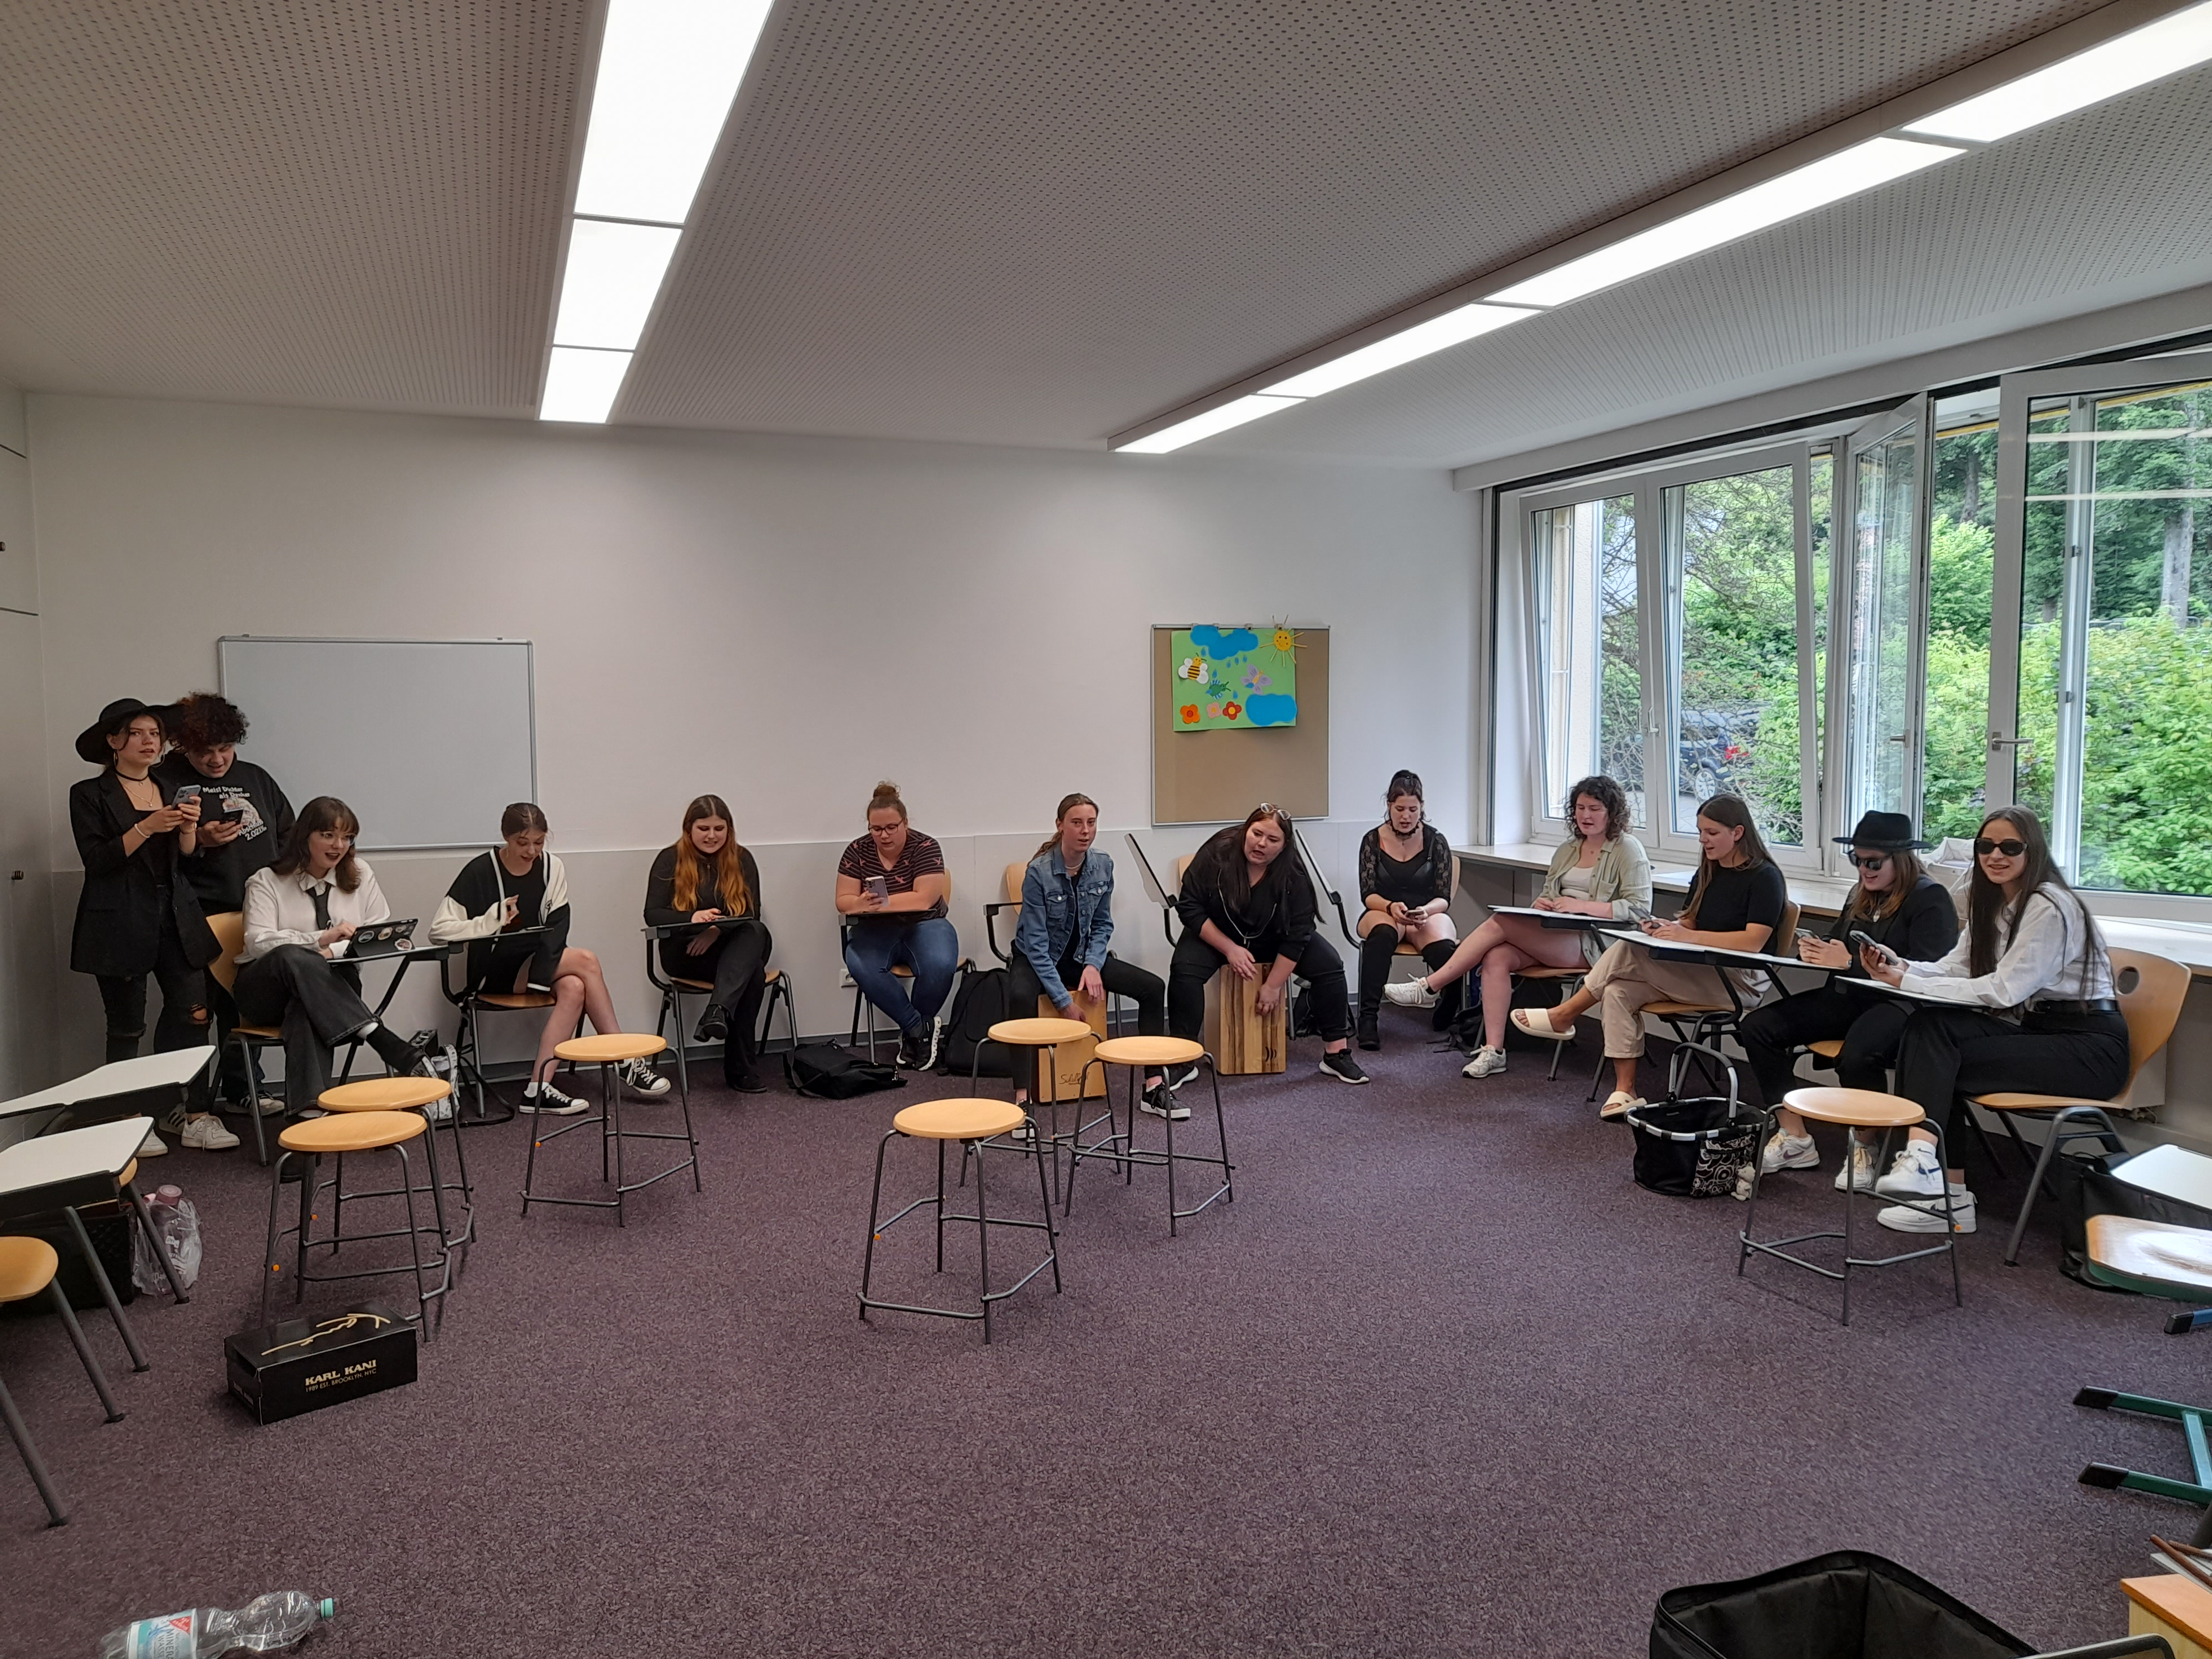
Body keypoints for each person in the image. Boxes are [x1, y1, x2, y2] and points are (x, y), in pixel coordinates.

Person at [1860, 805, 2128, 1237]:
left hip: (2089, 1049)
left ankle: (1941, 1186)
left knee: (1939, 1055)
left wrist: (1910, 982)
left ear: (2032, 850)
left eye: (2010, 847)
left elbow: (2005, 991)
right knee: (1928, 1029)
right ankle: (1936, 1178)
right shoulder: (1992, 901)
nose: (1995, 856)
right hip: (2037, 1030)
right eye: (1986, 846)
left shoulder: (2049, 905)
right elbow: (1957, 967)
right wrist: (1902, 968)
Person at [1508, 794, 1784, 1119]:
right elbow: (1692, 921)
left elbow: (1753, 942)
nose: (1703, 840)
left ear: (1737, 833)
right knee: (1617, 990)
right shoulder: (1710, 871)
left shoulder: (1765, 877)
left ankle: (1565, 1014)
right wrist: (1668, 928)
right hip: (1701, 970)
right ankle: (1625, 1091)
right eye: (1700, 832)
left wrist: (1688, 936)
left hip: (1739, 979)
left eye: (1711, 833)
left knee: (1629, 950)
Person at [1739, 811, 1959, 1191]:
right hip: (1851, 997)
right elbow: (1839, 942)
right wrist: (1816, 950)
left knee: (1857, 1054)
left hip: (1902, 1005)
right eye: (1856, 859)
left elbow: (1927, 974)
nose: (1863, 869)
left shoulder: (1930, 898)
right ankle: (1794, 1137)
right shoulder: (1860, 894)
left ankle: (1865, 1145)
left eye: (1873, 862)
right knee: (1758, 1027)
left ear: (1901, 860)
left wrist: (1847, 962)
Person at [1387, 775, 1651, 1081]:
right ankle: (1493, 1051)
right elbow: (1549, 893)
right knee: (1497, 956)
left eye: (1594, 809)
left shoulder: (1627, 849)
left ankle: (1431, 986)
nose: (1586, 816)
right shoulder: (1568, 848)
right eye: (1580, 808)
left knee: (1504, 922)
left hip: (1596, 942)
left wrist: (1582, 906)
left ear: (1612, 813)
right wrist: (1543, 903)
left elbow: (1639, 909)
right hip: (1555, 933)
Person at [69, 698, 231, 1156]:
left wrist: (188, 830)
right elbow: (97, 860)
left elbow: (186, 858)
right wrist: (147, 827)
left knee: (195, 1013)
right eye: (137, 733)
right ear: (113, 741)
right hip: (119, 917)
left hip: (176, 912)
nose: (149, 741)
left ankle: (195, 1113)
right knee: (126, 1025)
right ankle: (127, 1120)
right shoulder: (89, 793)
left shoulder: (171, 786)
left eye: (155, 734)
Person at [431, 803, 670, 1113]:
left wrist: (540, 976)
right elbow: (438, 931)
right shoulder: (480, 871)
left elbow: (558, 927)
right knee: (586, 960)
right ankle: (624, 1058)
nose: (532, 851)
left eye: (539, 842)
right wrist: (490, 921)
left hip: (537, 963)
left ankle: (537, 1088)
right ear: (506, 837)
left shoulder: (552, 867)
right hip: (492, 971)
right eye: (523, 843)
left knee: (574, 987)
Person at [237, 797, 437, 1121]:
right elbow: (258, 943)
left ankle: (309, 1117)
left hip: (332, 987)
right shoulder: (267, 880)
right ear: (305, 837)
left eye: (347, 837)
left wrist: (332, 952)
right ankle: (377, 1035)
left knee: (305, 1008)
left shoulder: (361, 875)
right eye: (328, 835)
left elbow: (376, 934)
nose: (339, 846)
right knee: (290, 955)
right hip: (265, 992)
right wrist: (319, 940)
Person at [155, 690, 295, 1117]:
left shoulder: (256, 778)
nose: (217, 760)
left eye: (226, 748)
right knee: (193, 1013)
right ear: (183, 746)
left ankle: (242, 1088)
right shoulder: (164, 780)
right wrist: (199, 840)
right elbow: (153, 853)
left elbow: (287, 835)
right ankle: (185, 1106)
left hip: (252, 913)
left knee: (243, 1006)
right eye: (205, 751)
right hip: (192, 915)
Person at [1170, 805, 1367, 1086]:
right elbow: (1189, 906)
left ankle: (1336, 1054)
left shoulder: (1293, 873)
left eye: (1272, 839)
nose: (1261, 844)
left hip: (1273, 937)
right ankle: (1182, 1058)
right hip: (1219, 934)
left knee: (1330, 965)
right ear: (1245, 831)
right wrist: (1229, 948)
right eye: (1257, 834)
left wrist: (1274, 985)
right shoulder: (1218, 852)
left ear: (1284, 846)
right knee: (1184, 969)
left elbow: (1299, 933)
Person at [1008, 794, 1174, 1117]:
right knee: (1019, 996)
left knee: (1153, 988)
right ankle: (1022, 1097)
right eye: (1077, 823)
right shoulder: (1038, 872)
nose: (1085, 831)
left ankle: (1153, 1086)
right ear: (1060, 825)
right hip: (1037, 957)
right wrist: (1063, 1002)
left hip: (1081, 956)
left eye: (1091, 823)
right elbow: (1037, 945)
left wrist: (1094, 965)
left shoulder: (1103, 865)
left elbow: (1102, 924)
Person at [644, 795, 772, 1094]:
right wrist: (693, 919)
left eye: (719, 829)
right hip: (686, 952)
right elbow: (652, 915)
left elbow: (751, 913)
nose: (712, 836)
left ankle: (716, 1010)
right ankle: (740, 1070)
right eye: (704, 829)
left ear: (729, 830)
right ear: (689, 829)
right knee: (752, 974)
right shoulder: (669, 859)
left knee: (756, 931)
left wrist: (714, 930)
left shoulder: (742, 859)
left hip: (731, 948)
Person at [836, 781, 959, 1071]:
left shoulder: (926, 846)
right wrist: (859, 903)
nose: (884, 835)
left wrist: (875, 903)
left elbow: (924, 899)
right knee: (861, 963)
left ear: (905, 823)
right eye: (876, 829)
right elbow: (843, 901)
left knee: (941, 964)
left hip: (926, 924)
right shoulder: (857, 850)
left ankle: (914, 1035)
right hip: (875, 929)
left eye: (891, 827)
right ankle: (917, 1029)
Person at [1353, 771, 1459, 1052]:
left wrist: (1425, 910)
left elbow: (1444, 898)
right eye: (1400, 809)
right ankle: (1368, 1018)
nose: (1406, 816)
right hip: (1384, 908)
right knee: (1382, 935)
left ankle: (1451, 1002)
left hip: (1425, 911)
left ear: (1422, 807)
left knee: (1444, 948)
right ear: (1389, 805)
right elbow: (1368, 894)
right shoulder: (1372, 840)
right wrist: (1390, 907)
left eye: (1413, 809)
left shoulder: (1436, 841)